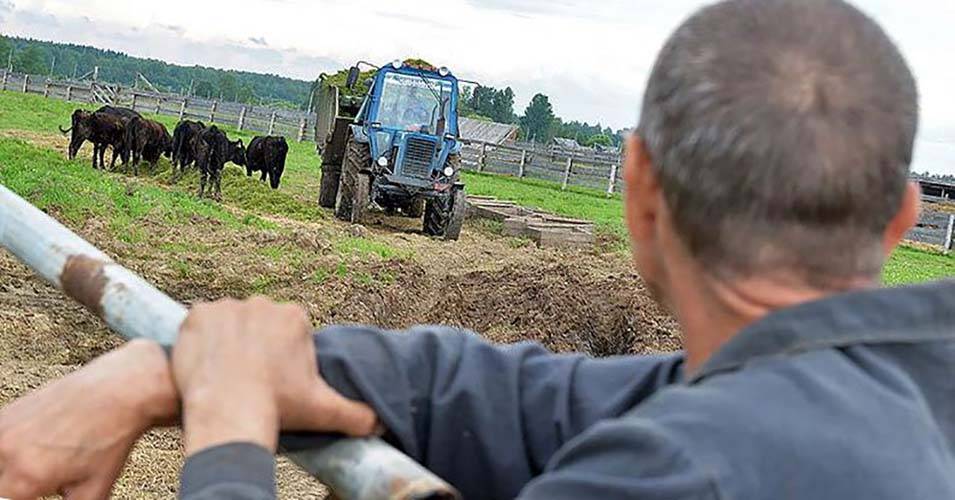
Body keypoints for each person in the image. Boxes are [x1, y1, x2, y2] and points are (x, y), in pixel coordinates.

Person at [1, 0, 953, 498]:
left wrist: (228, 436)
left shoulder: (677, 476)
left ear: (638, 190)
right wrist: (158, 365)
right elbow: (521, 395)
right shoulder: (890, 388)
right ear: (902, 218)